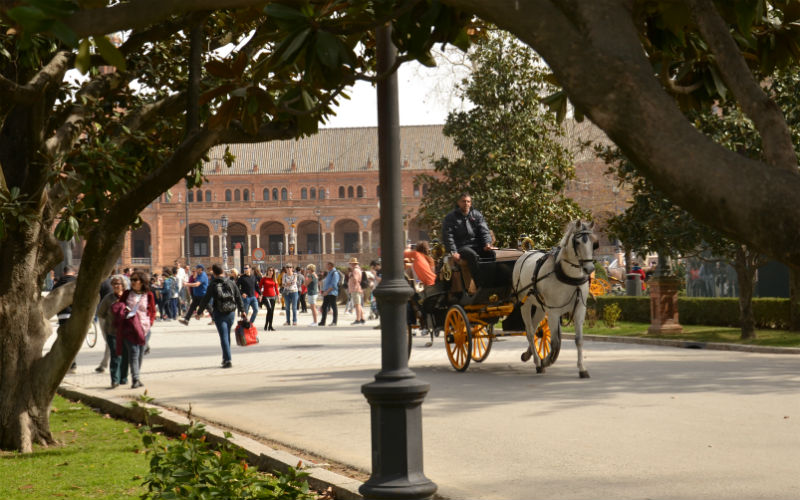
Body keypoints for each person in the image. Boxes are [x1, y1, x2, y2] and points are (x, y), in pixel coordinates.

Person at [198, 264, 246, 368]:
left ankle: (228, 360)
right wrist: (242, 310)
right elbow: (238, 297)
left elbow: (206, 299)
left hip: (219, 313)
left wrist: (199, 312)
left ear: (214, 273)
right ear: (223, 271)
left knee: (224, 336)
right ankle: (225, 358)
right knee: (227, 334)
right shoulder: (231, 282)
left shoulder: (213, 284)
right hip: (231, 313)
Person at [442, 192, 495, 283]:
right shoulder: (450, 217)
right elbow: (448, 236)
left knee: (491, 254)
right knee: (472, 255)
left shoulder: (477, 215)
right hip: (462, 247)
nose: (466, 203)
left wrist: (487, 244)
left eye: (468, 201)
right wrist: (453, 252)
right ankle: (479, 283)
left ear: (470, 203)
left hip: (477, 246)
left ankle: (491, 280)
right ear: (458, 203)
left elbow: (484, 231)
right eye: (463, 201)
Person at [117, 270, 156, 389]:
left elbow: (153, 310)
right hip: (130, 328)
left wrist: (150, 322)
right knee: (134, 353)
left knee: (140, 354)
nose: (132, 282)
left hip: (144, 328)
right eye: (131, 280)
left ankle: (136, 375)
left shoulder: (148, 294)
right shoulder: (127, 294)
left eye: (135, 280)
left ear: (142, 282)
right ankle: (135, 379)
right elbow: (120, 307)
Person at [96, 275, 129, 388]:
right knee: (115, 355)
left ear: (123, 285)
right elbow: (100, 313)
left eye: (118, 284)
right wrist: (110, 320)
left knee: (125, 356)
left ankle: (123, 378)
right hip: (112, 332)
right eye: (113, 284)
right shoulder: (108, 298)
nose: (115, 286)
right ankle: (114, 380)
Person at [53, 265, 78, 373]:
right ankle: (72, 364)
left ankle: (65, 364)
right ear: (74, 273)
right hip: (74, 315)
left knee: (64, 341)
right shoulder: (77, 283)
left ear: (64, 273)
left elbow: (52, 300)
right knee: (73, 340)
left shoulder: (57, 284)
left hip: (62, 315)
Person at [318, 261, 340, 326]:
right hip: (327, 293)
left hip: (332, 293)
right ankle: (323, 321)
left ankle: (334, 321)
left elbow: (334, 284)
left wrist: (327, 291)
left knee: (334, 307)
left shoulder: (335, 273)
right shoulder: (329, 273)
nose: (326, 266)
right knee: (324, 307)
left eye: (327, 265)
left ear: (331, 265)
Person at [259, 267, 280, 331]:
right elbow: (259, 287)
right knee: (269, 309)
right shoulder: (264, 279)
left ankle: (270, 326)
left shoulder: (274, 279)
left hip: (273, 297)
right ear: (267, 271)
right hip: (266, 296)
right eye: (270, 270)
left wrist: (278, 297)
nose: (271, 272)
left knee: (271, 312)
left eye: (272, 271)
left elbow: (276, 289)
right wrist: (260, 296)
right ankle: (266, 325)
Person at [347, 257, 365, 325]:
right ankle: (362, 318)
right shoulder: (357, 269)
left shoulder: (355, 270)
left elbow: (355, 279)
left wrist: (351, 276)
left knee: (357, 304)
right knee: (359, 304)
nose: (350, 265)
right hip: (356, 289)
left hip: (355, 289)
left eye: (351, 263)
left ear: (353, 263)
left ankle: (358, 319)